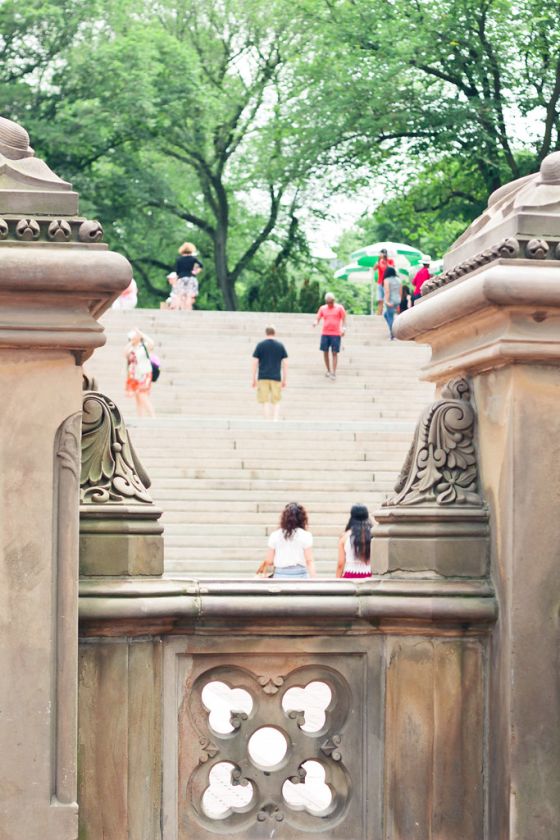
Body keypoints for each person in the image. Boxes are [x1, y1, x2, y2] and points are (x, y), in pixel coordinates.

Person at [261, 502, 316, 580]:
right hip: (301, 576)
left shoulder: (275, 535)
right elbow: (309, 561)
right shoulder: (306, 535)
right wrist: (314, 579)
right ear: (302, 518)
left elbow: (269, 561)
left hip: (280, 576)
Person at [252, 325, 288, 421]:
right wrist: (284, 379)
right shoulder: (280, 346)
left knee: (265, 400)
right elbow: (285, 363)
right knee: (276, 400)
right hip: (276, 377)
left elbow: (255, 362)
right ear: (274, 333)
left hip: (263, 377)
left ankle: (267, 420)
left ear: (266, 333)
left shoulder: (260, 345)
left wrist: (253, 378)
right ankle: (275, 420)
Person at [313, 292, 346, 379]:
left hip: (335, 333)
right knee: (325, 352)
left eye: (331, 302)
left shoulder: (339, 308)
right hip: (325, 333)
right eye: (328, 302)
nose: (329, 304)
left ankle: (333, 372)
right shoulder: (323, 308)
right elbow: (318, 317)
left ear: (334, 301)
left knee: (334, 352)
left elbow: (344, 319)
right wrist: (315, 323)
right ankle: (328, 370)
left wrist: (344, 329)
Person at [336, 504, 373, 579]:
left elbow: (340, 564)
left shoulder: (344, 536)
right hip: (370, 576)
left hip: (350, 576)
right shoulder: (373, 535)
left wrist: (337, 579)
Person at [125, 328, 155, 416]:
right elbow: (124, 353)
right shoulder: (131, 348)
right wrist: (131, 342)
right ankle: (140, 418)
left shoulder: (144, 346)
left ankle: (153, 416)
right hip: (134, 376)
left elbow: (152, 343)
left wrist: (141, 334)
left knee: (142, 395)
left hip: (144, 374)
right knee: (137, 397)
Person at [175, 242, 203, 310]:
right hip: (191, 277)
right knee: (189, 295)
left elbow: (177, 271)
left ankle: (179, 308)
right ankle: (188, 309)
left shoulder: (179, 259)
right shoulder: (193, 259)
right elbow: (201, 265)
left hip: (181, 277)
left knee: (180, 295)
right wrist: (195, 272)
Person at [372, 249, 395, 315]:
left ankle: (388, 314)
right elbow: (374, 268)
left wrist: (385, 262)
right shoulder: (379, 261)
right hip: (380, 283)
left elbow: (392, 268)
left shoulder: (390, 261)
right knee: (380, 300)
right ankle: (379, 314)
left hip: (387, 283)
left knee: (388, 300)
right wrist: (379, 260)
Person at [383, 266, 402, 340]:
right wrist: (399, 300)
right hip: (397, 300)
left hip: (390, 300)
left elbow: (387, 291)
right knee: (386, 314)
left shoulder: (386, 280)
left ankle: (393, 334)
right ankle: (393, 331)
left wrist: (387, 301)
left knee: (390, 317)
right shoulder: (398, 280)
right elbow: (400, 291)